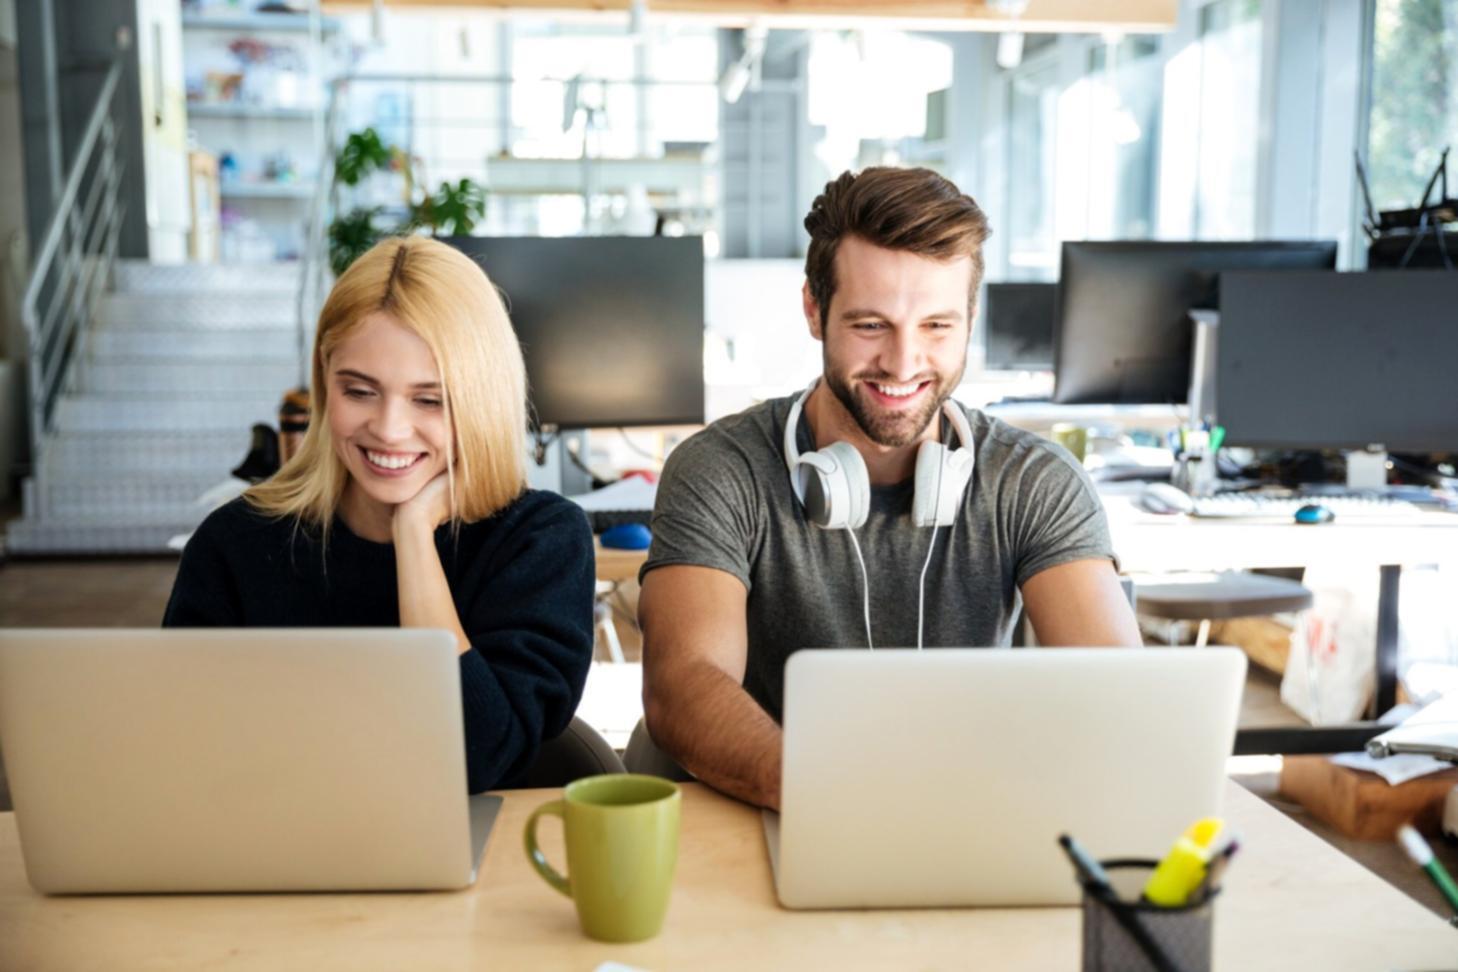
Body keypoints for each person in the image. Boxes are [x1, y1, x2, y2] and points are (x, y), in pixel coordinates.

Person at [638, 167, 1142, 810]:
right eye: (871, 325)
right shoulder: (720, 470)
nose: (903, 365)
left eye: (936, 326)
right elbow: (684, 685)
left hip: (978, 815)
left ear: (970, 318)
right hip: (778, 811)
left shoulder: (1033, 482)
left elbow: (1121, 697)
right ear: (814, 311)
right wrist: (838, 794)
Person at [163, 236, 596, 793]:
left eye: (429, 399)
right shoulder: (236, 541)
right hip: (271, 843)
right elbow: (182, 746)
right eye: (360, 391)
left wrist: (413, 534)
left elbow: (473, 759)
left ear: (481, 398)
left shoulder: (540, 540)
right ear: (326, 381)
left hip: (481, 865)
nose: (389, 429)